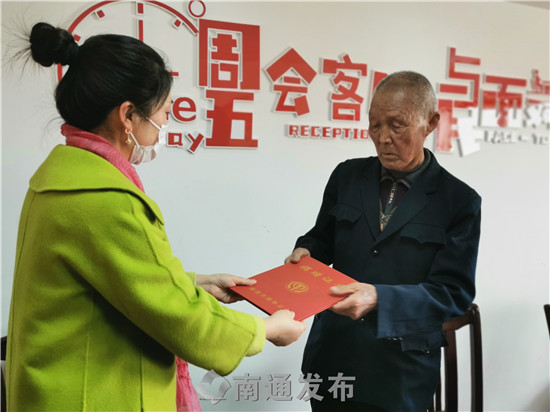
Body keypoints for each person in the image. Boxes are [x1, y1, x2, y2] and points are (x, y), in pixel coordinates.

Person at [6, 22, 306, 411]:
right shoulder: (106, 199)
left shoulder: (61, 178)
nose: (165, 124)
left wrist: (196, 282)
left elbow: (120, 276)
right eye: (164, 111)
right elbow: (177, 317)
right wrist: (265, 329)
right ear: (128, 116)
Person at [285, 71, 481, 411]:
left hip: (400, 373)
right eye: (375, 125)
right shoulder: (347, 175)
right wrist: (306, 250)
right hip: (333, 358)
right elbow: (322, 237)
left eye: (396, 125)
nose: (383, 138)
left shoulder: (458, 201)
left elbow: (453, 293)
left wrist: (379, 298)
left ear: (431, 123)